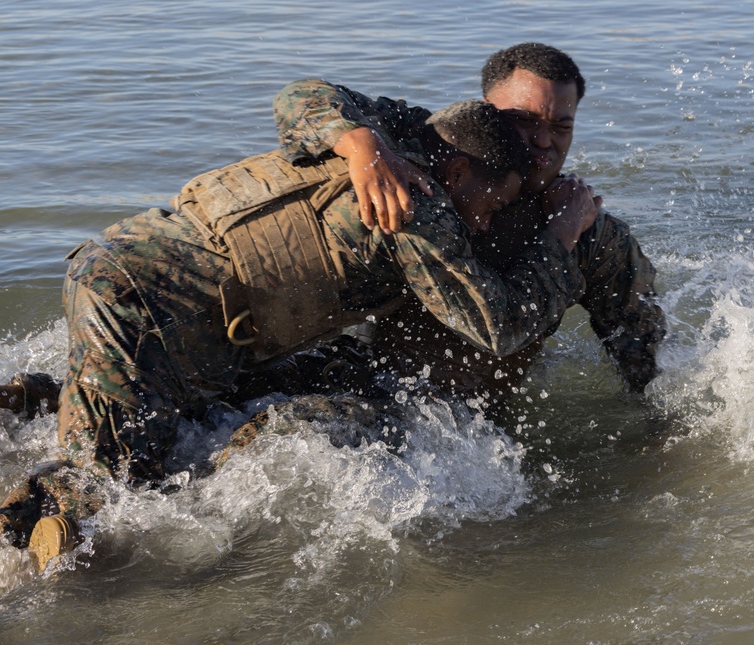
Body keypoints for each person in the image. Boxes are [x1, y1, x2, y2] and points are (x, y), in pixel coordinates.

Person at [0, 99, 601, 571]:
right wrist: (563, 238)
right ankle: (27, 540)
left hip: (142, 277)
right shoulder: (421, 210)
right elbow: (498, 327)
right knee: (112, 489)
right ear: (460, 169)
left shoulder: (396, 134)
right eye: (491, 205)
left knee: (169, 431)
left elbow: (301, 96)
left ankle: (33, 398)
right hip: (143, 303)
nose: (487, 220)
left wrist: (358, 144)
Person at [272, 43, 666, 406]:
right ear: (486, 110)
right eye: (524, 120)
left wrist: (659, 434)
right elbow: (299, 97)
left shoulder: (583, 226)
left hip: (472, 426)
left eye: (561, 127)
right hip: (365, 381)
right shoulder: (437, 145)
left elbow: (644, 350)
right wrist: (363, 150)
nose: (543, 141)